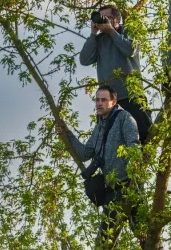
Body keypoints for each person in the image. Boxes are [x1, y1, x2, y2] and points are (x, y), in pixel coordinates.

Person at [55, 86, 143, 249]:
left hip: (129, 186)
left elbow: (134, 145)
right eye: (97, 100)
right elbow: (85, 154)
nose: (99, 103)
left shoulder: (124, 118)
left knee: (144, 235)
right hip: (111, 191)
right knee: (104, 243)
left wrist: (134, 170)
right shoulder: (100, 126)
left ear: (113, 101)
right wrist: (66, 133)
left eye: (104, 100)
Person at [79, 5, 152, 143]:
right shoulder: (99, 40)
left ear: (117, 19)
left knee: (145, 140)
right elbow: (84, 60)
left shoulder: (128, 31)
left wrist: (112, 32)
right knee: (111, 145)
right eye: (101, 18)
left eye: (107, 18)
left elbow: (130, 50)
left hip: (132, 96)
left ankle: (143, 163)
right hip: (110, 103)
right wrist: (93, 34)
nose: (103, 21)